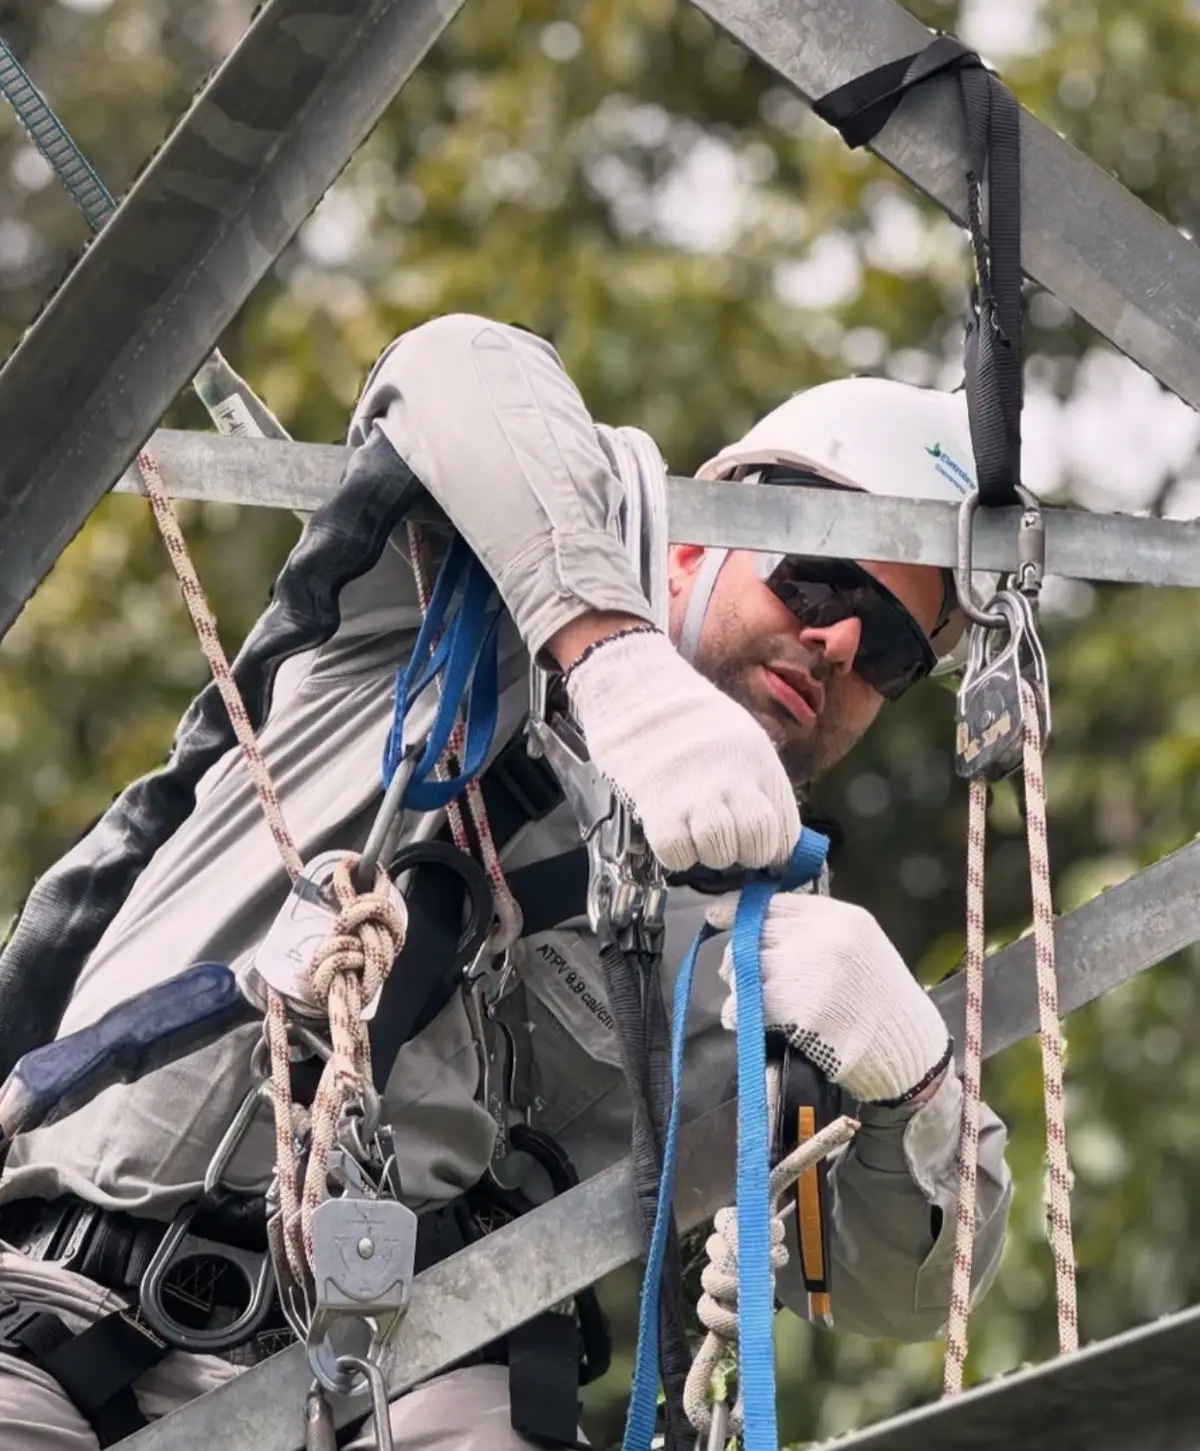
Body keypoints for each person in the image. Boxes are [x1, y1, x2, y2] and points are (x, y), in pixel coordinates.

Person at [0, 314, 1012, 1450]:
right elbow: (451, 361)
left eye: (886, 647)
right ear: (691, 550)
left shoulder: (762, 955)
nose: (833, 643)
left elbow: (902, 1292)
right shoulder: (440, 610)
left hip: (402, 1387)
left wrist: (906, 1077)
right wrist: (615, 660)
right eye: (814, 580)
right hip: (64, 1321)